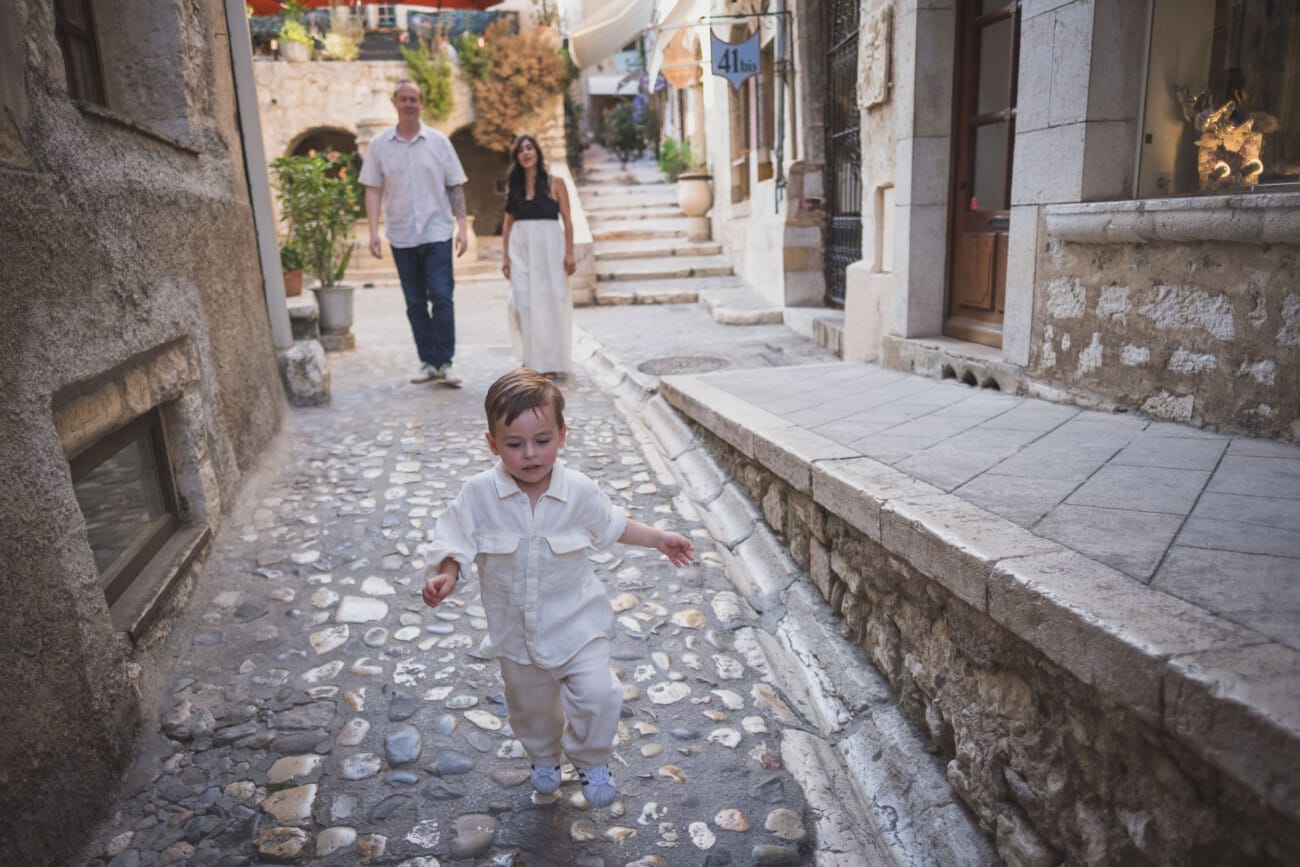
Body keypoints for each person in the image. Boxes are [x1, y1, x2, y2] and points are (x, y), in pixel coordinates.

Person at [421, 369, 694, 808]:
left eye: (542, 440)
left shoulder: (579, 491)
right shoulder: (478, 494)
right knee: (531, 710)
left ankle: (591, 759)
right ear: (493, 444)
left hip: (577, 626)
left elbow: (613, 525)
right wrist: (448, 574)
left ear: (562, 436)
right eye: (515, 444)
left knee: (599, 694)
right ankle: (544, 757)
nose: (530, 453)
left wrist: (658, 539)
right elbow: (455, 537)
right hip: (516, 635)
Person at [359, 79, 469, 387]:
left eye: (414, 99)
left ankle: (445, 362)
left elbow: (455, 186)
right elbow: (373, 189)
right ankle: (428, 362)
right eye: (404, 99)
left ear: (421, 103)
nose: (409, 104)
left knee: (442, 296)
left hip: (437, 232)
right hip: (402, 234)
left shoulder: (439, 142)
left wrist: (462, 227)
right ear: (395, 102)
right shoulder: (379, 145)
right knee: (415, 302)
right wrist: (373, 232)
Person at [501, 135, 576, 380]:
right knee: (521, 302)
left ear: (537, 152)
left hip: (550, 250)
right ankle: (531, 359)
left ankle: (548, 362)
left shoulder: (556, 183)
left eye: (529, 148)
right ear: (516, 157)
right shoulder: (514, 186)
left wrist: (569, 252)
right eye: (520, 150)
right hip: (520, 250)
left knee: (549, 304)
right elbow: (508, 223)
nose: (525, 153)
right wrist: (505, 257)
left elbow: (567, 220)